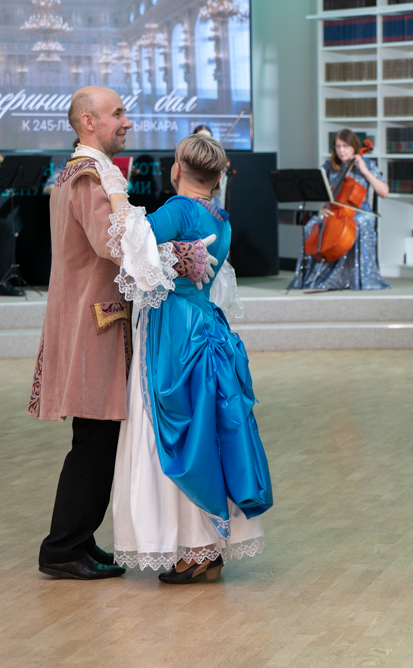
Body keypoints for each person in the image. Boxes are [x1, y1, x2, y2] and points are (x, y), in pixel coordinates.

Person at [30, 86, 215, 580]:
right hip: (93, 321)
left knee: (98, 436)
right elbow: (115, 245)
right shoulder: (90, 175)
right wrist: (179, 254)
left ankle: (79, 540)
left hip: (93, 316)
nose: (127, 122)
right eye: (117, 114)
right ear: (89, 122)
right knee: (94, 437)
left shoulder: (87, 172)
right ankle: (62, 548)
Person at [101, 133, 272, 583]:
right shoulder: (222, 220)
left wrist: (115, 190)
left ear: (177, 169)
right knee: (202, 430)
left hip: (173, 329)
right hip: (205, 323)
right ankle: (207, 547)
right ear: (217, 177)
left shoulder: (179, 209)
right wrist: (172, 256)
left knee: (167, 430)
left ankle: (195, 548)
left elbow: (132, 241)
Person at [287, 129, 390, 291]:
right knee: (310, 226)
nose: (341, 150)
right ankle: (312, 277)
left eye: (345, 146)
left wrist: (365, 171)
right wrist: (323, 208)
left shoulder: (367, 164)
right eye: (338, 146)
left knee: (359, 224)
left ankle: (353, 278)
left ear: (354, 147)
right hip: (334, 211)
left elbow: (384, 192)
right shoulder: (329, 166)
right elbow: (323, 192)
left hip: (360, 211)